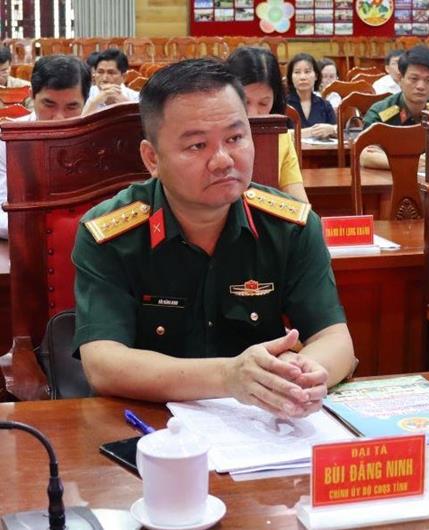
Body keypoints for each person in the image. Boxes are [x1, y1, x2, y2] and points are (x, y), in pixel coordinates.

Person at [73, 59, 356, 415]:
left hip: (261, 424)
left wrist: (301, 374)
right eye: (197, 146)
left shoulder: (291, 226)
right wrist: (228, 376)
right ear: (152, 158)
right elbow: (102, 363)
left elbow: (334, 338)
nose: (223, 160)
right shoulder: (110, 234)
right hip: (146, 424)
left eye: (235, 138)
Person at [0, 55, 90, 239]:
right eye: (49, 104)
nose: (59, 118)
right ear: (32, 95)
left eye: (72, 107)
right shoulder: (6, 139)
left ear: (85, 101)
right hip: (23, 240)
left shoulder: (96, 139)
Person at [226, 46, 308, 203]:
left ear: (275, 99)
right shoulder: (213, 137)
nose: (252, 114)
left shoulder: (279, 138)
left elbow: (299, 203)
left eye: (263, 103)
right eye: (244, 102)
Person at [361, 45, 429, 168]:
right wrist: (412, 162)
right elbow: (365, 156)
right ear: (400, 79)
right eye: (414, 79)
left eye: (428, 80)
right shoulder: (381, 112)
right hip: (389, 178)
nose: (421, 86)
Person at [286, 53, 337, 139]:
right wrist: (312, 131)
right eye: (297, 72)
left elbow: (338, 130)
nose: (302, 77)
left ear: (316, 76)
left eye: (307, 72)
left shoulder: (325, 105)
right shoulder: (283, 105)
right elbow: (279, 135)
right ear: (291, 77)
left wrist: (331, 129)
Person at [81, 48, 139, 115]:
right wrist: (95, 102)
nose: (104, 78)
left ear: (124, 77)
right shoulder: (85, 95)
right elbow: (78, 121)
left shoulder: (136, 98)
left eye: (111, 73)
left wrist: (127, 105)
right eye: (100, 72)